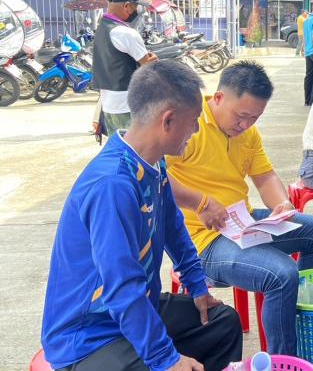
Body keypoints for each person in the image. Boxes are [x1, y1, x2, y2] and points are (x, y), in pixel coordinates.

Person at [42, 61, 242, 371]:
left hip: (133, 309)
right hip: (88, 335)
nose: (196, 130)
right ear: (168, 120)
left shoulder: (153, 165)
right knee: (161, 363)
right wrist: (166, 359)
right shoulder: (113, 185)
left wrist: (198, 288)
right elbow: (122, 286)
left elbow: (174, 230)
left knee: (222, 323)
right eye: (193, 121)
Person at [166, 61, 313, 355]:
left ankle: (302, 320)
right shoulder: (191, 125)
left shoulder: (248, 134)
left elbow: (264, 177)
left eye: (255, 118)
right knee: (281, 274)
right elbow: (154, 176)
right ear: (219, 98)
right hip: (203, 240)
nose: (245, 125)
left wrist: (281, 204)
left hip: (242, 222)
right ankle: (284, 360)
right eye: (241, 116)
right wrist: (200, 203)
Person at [92, 0, 158, 135]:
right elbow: (147, 65)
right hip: (127, 104)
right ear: (127, 6)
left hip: (108, 103)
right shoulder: (126, 33)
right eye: (135, 6)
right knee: (134, 145)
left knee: (117, 144)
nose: (137, 10)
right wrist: (154, 61)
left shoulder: (102, 26)